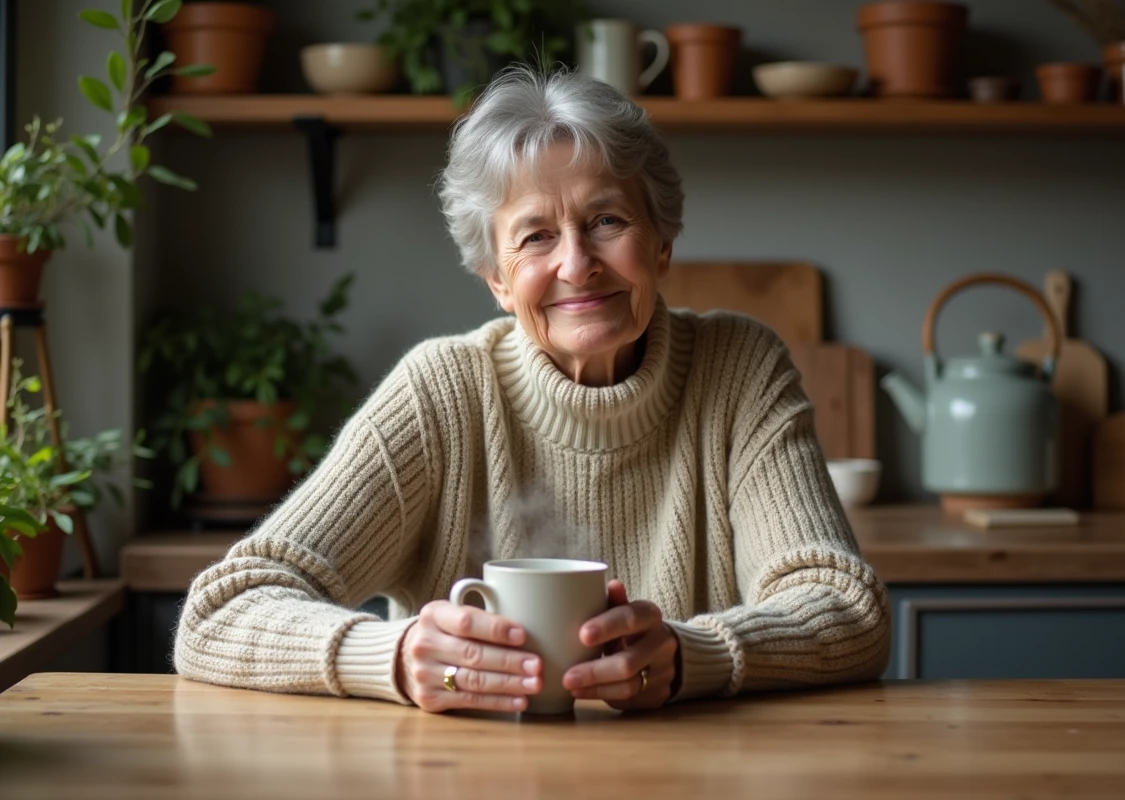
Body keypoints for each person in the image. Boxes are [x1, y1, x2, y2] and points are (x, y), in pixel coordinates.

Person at [173, 65, 891, 714]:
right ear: (495, 279)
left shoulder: (741, 369)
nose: (577, 265)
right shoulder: (443, 392)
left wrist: (688, 656)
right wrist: (392, 658)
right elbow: (220, 613)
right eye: (536, 237)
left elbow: (847, 611)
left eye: (607, 220)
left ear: (662, 241)